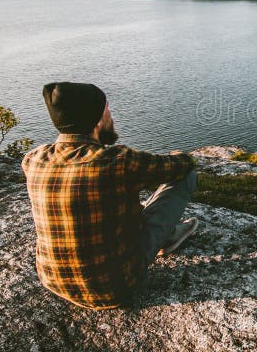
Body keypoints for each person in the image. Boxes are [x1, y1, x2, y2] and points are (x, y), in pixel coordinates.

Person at [21, 82, 198, 309]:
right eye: (107, 110)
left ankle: (167, 233)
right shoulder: (117, 160)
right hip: (119, 286)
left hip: (54, 283)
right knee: (187, 176)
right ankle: (165, 235)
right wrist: (179, 154)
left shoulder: (33, 160)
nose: (111, 115)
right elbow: (181, 166)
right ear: (96, 121)